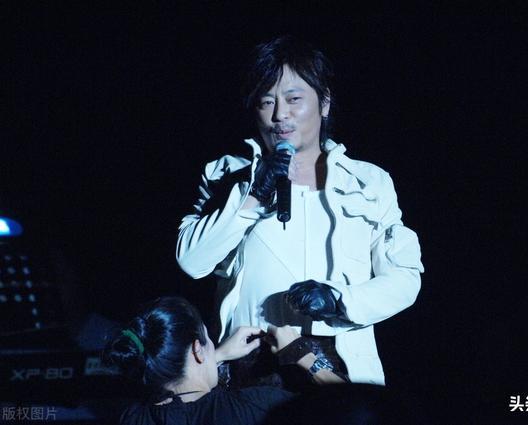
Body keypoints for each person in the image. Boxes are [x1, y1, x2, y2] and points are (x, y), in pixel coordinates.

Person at [176, 35, 424, 387]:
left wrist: (340, 299)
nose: (280, 114)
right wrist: (253, 196)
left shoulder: (369, 182)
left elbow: (405, 277)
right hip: (251, 370)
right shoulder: (224, 175)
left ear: (324, 103)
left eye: (294, 99)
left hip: (337, 370)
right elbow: (192, 261)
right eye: (267, 102)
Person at [104, 296, 344, 425]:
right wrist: (301, 355)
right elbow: (352, 411)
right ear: (197, 350)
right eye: (208, 339)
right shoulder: (256, 407)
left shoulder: (133, 417)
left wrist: (216, 355)